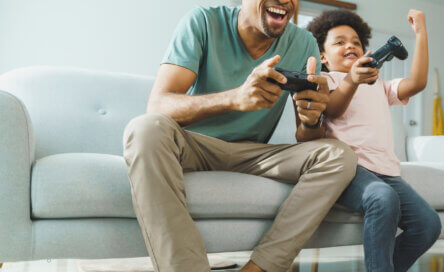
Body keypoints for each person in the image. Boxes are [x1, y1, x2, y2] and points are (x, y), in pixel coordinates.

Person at [122, 0, 358, 271]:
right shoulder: (203, 21)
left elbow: (307, 138)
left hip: (251, 154)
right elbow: (158, 106)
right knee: (144, 130)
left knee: (339, 155)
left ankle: (259, 268)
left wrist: (311, 117)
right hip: (193, 146)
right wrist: (234, 98)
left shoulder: (304, 42)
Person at [306, 9, 441, 272]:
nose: (351, 46)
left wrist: (421, 33)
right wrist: (352, 80)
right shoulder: (326, 81)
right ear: (323, 56)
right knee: (382, 197)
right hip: (350, 171)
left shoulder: (380, 86)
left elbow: (417, 82)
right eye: (340, 42)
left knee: (428, 224)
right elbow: (332, 109)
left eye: (356, 42)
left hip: (387, 172)